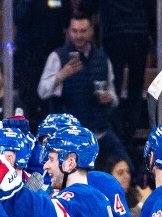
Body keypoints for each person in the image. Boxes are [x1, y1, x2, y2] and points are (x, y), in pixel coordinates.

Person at [38, 12, 128, 167]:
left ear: (92, 31)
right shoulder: (57, 57)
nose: (78, 36)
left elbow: (114, 98)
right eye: (74, 31)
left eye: (83, 31)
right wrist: (61, 75)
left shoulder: (103, 58)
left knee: (126, 167)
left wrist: (109, 97)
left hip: (101, 132)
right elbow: (42, 91)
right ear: (69, 32)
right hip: (71, 136)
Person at [80, 0, 152, 141]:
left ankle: (117, 128)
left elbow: (86, 5)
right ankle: (131, 128)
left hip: (114, 34)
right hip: (139, 34)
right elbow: (151, 7)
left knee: (114, 83)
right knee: (136, 83)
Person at [14, 0, 78, 122]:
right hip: (29, 61)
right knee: (30, 103)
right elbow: (20, 19)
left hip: (51, 58)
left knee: (50, 103)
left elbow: (65, 21)